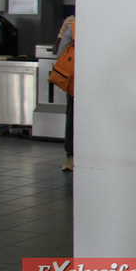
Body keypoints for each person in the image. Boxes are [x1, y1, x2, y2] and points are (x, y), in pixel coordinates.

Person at [53, 15, 75, 171]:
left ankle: (71, 156)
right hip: (88, 80)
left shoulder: (72, 23)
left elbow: (60, 51)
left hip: (74, 80)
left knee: (72, 116)